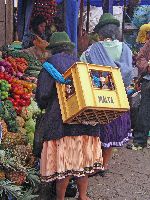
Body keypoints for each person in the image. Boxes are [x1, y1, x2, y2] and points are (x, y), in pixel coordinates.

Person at [35, 32, 103, 200]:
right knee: (81, 161)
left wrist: (45, 105)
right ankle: (83, 195)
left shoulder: (49, 66)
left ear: (53, 49)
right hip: (83, 120)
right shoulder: (80, 63)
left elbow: (43, 95)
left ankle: (60, 198)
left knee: (65, 165)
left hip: (60, 122)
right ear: (68, 48)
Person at [80, 13, 133, 172]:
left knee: (98, 132)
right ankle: (104, 164)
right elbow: (129, 74)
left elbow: (83, 71)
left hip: (99, 98)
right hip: (119, 98)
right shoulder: (126, 49)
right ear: (115, 31)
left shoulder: (90, 51)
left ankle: (94, 162)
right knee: (114, 130)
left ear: (100, 33)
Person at [128, 29, 150, 150]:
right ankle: (140, 141)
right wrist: (147, 66)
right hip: (149, 80)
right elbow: (140, 58)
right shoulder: (148, 44)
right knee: (144, 111)